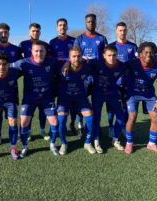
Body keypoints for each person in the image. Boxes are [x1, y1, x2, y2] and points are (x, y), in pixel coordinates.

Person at [11, 40, 59, 157]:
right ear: (31, 52)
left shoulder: (52, 61)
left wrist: (69, 63)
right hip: (29, 98)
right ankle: (25, 146)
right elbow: (5, 65)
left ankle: (52, 144)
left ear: (45, 51)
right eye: (36, 51)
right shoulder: (24, 62)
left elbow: (67, 61)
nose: (39, 53)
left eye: (41, 51)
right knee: (23, 122)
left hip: (46, 98)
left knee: (55, 122)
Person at [124, 42, 157, 155]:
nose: (148, 55)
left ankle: (151, 144)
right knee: (132, 116)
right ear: (140, 54)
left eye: (151, 52)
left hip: (149, 94)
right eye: (146, 52)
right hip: (133, 93)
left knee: (156, 117)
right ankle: (129, 142)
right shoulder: (131, 63)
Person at [74, 13, 108, 141]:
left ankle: (95, 127)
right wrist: (82, 58)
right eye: (88, 22)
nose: (91, 23)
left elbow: (107, 56)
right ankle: (80, 126)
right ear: (85, 23)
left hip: (98, 78)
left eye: (93, 22)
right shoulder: (79, 39)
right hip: (83, 77)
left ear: (96, 22)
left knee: (96, 104)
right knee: (81, 103)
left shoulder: (102, 38)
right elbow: (74, 56)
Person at [57, 47, 95, 155]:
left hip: (80, 96)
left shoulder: (86, 66)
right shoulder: (61, 65)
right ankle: (64, 143)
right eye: (73, 56)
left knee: (90, 117)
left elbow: (97, 61)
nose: (76, 59)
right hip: (65, 97)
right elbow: (53, 59)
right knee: (62, 119)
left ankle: (87, 143)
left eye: (78, 56)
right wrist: (66, 62)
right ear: (69, 57)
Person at [90, 45, 127, 152]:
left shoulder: (121, 65)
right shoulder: (96, 63)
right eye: (109, 55)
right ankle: (96, 142)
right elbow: (80, 62)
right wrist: (67, 63)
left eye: (114, 55)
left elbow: (133, 66)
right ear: (104, 56)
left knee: (120, 115)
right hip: (98, 93)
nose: (112, 58)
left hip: (112, 92)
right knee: (97, 117)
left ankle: (115, 140)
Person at [19, 23, 51, 141]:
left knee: (43, 108)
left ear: (40, 32)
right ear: (29, 32)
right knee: (29, 108)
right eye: (33, 31)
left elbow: (50, 59)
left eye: (37, 31)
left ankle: (42, 130)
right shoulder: (23, 44)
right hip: (29, 78)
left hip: (44, 77)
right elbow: (17, 59)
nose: (35, 33)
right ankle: (28, 131)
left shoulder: (45, 45)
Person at [108, 22, 138, 137]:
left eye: (124, 30)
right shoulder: (111, 46)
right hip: (113, 83)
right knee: (111, 106)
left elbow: (137, 64)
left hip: (128, 82)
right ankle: (111, 126)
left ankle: (124, 127)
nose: (122, 32)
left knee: (125, 107)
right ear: (116, 31)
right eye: (120, 30)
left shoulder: (132, 46)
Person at [49, 18, 78, 136]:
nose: (62, 27)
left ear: (67, 27)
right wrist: (64, 60)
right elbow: (50, 59)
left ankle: (73, 124)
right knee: (56, 103)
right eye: (60, 25)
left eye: (64, 25)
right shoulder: (52, 42)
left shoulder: (73, 40)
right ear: (57, 27)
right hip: (56, 76)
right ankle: (56, 127)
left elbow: (77, 56)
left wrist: (67, 62)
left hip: (72, 76)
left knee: (73, 102)